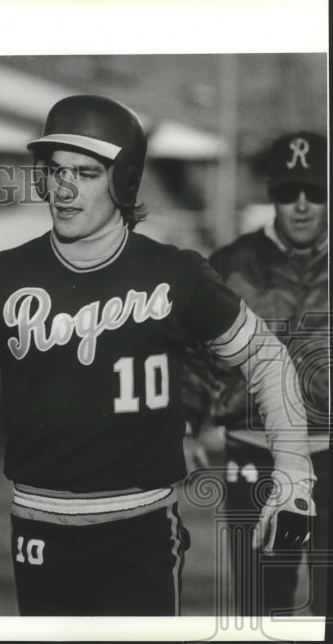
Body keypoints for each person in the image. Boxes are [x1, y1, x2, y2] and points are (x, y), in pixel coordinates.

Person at [0, 94, 316, 616]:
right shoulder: (0, 278)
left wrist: (294, 474)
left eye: (87, 172)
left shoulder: (175, 274)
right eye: (55, 171)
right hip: (37, 530)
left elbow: (268, 360)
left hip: (142, 530)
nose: (64, 188)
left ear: (125, 180)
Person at [184, 131, 328, 616]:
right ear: (272, 195)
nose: (303, 205)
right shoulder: (230, 266)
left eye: (316, 191)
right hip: (255, 450)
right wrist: (194, 420)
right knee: (261, 607)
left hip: (332, 453)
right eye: (289, 193)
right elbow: (197, 355)